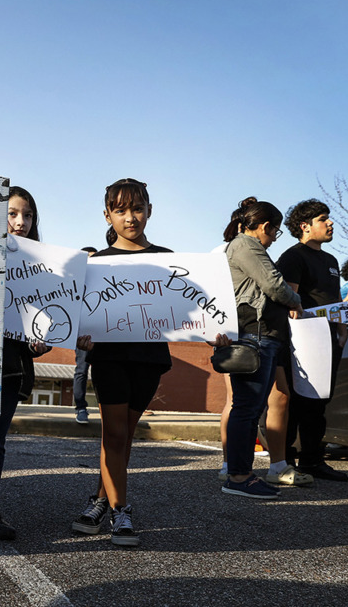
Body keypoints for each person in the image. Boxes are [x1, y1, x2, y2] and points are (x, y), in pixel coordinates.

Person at [71, 179, 223, 545]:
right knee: (115, 433)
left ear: (149, 210)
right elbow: (80, 313)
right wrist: (81, 335)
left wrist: (212, 329)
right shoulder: (96, 262)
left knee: (124, 437)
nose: (130, 217)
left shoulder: (166, 257)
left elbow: (186, 306)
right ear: (107, 214)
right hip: (108, 357)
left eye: (137, 208)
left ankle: (99, 500)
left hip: (150, 359)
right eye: (120, 210)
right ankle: (121, 511)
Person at [0, 185, 50, 541]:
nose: (21, 222)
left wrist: (41, 343)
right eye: (13, 214)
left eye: (28, 215)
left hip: (14, 369)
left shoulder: (42, 267)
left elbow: (39, 325)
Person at [221, 197, 302, 499]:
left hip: (262, 336)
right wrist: (295, 301)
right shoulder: (247, 245)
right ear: (266, 226)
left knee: (250, 408)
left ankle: (240, 474)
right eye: (275, 232)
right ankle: (239, 476)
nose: (273, 240)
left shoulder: (243, 245)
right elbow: (274, 284)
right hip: (254, 335)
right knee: (247, 408)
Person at [278, 199, 348, 481]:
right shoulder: (293, 257)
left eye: (328, 218)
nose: (330, 223)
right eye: (323, 219)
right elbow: (290, 301)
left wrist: (342, 331)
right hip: (303, 340)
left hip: (329, 339)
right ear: (305, 226)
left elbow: (335, 303)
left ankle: (312, 460)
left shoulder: (331, 261)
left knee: (320, 402)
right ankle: (285, 460)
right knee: (297, 401)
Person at [72, 246, 98, 425]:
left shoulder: (104, 280)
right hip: (82, 333)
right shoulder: (74, 281)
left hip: (103, 334)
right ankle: (81, 408)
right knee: (82, 369)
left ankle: (107, 408)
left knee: (102, 371)